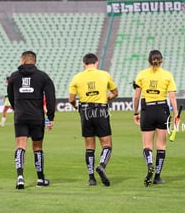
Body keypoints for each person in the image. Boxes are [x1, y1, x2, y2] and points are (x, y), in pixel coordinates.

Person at [7, 51, 56, 189]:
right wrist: (50, 117)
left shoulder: (14, 76)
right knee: (38, 147)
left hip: (20, 116)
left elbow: (10, 95)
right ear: (34, 61)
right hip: (36, 116)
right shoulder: (43, 76)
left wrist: (17, 108)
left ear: (23, 60)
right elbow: (51, 97)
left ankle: (20, 177)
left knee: (20, 145)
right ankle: (40, 179)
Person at [68, 53, 118, 186]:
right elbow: (115, 92)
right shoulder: (105, 74)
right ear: (96, 63)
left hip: (85, 111)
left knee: (89, 146)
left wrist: (76, 106)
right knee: (107, 144)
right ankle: (102, 165)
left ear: (84, 64)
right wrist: (105, 98)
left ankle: (91, 178)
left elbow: (71, 99)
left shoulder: (77, 77)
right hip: (101, 110)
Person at [133, 50, 178, 187]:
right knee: (161, 145)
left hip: (147, 109)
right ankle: (157, 176)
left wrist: (135, 112)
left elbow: (136, 96)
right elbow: (172, 97)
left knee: (147, 145)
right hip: (162, 110)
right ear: (161, 61)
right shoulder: (167, 75)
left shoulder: (142, 74)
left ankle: (150, 164)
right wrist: (176, 114)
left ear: (149, 60)